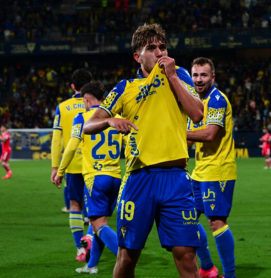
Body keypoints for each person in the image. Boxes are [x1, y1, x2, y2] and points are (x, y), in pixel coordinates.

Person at [84, 23, 204, 278]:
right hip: (140, 179)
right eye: (152, 48)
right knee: (127, 257)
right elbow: (88, 124)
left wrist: (172, 76)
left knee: (187, 257)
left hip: (176, 179)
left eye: (163, 47)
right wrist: (108, 120)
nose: (160, 52)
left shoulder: (180, 75)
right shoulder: (124, 88)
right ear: (138, 56)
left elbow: (197, 113)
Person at [54, 81, 122, 274]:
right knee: (100, 223)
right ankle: (91, 265)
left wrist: (60, 171)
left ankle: (125, 255)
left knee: (98, 225)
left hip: (95, 178)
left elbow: (72, 146)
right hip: (115, 176)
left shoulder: (82, 117)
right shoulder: (116, 116)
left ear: (86, 99)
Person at [186, 58, 237, 278]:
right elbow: (187, 141)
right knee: (186, 218)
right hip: (199, 171)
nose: (199, 79)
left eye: (203, 75)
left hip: (218, 170)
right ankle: (207, 267)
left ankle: (230, 275)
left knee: (216, 223)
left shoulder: (216, 100)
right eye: (195, 75)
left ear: (212, 77)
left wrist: (175, 134)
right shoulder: (194, 102)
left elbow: (209, 134)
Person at [51, 69, 93, 262]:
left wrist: (55, 167)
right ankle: (91, 240)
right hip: (96, 165)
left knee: (75, 206)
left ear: (73, 86)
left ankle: (80, 249)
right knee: (95, 209)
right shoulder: (100, 106)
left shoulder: (63, 106)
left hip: (73, 166)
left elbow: (57, 139)